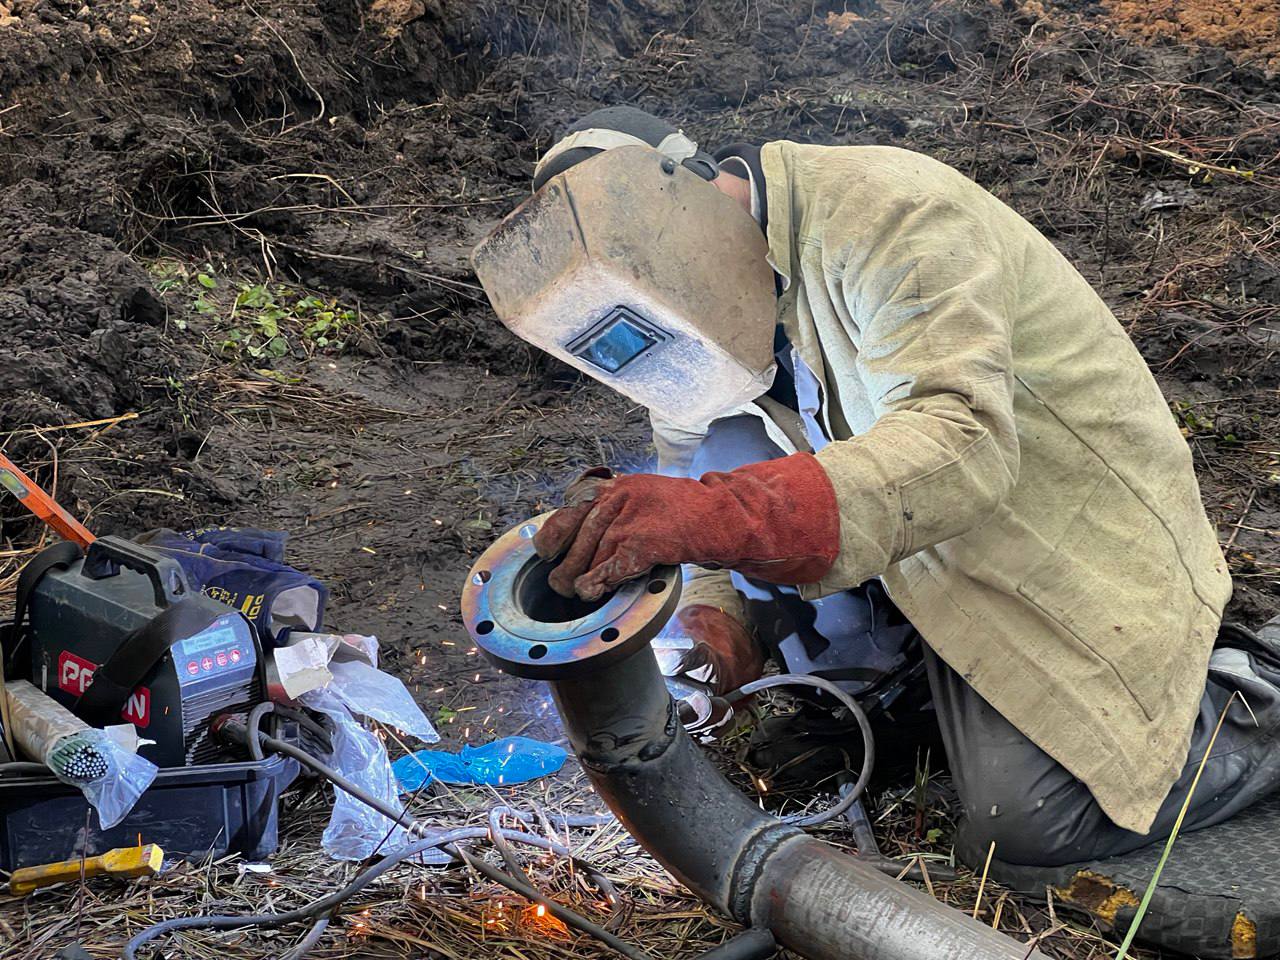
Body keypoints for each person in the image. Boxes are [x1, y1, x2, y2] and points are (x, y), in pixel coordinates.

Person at [471, 105, 1280, 870]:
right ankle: (924, 702)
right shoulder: (682, 320)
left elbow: (958, 444)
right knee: (786, 750)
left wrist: (721, 512)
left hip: (1059, 535)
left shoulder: (887, 211)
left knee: (1031, 819)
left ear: (686, 183)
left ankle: (1257, 702)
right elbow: (693, 492)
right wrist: (713, 625)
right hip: (924, 555)